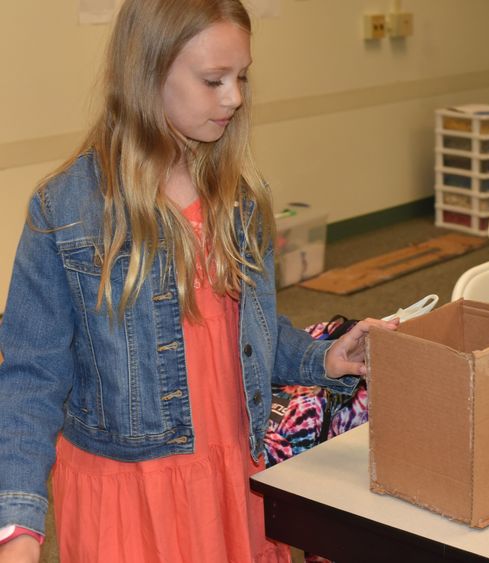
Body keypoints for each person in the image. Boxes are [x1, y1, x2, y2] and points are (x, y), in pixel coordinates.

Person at [0, 1, 397, 561]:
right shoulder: (65, 211)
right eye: (213, 80)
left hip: (233, 478)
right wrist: (17, 524)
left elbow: (241, 335)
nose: (234, 97)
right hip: (133, 498)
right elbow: (29, 377)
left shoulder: (239, 198)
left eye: (241, 77)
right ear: (147, 74)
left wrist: (322, 359)